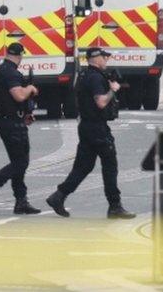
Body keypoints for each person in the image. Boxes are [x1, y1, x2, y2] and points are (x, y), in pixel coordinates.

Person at [46, 47, 136, 219]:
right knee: (110, 166)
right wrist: (113, 90)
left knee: (83, 167)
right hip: (97, 128)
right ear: (95, 58)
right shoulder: (95, 78)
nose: (106, 60)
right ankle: (115, 206)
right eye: (104, 57)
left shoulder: (87, 75)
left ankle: (58, 196)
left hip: (87, 127)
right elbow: (101, 102)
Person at [0, 43, 41, 214]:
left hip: (8, 120)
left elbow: (7, 99)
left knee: (18, 163)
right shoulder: (11, 72)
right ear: (20, 55)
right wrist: (30, 88)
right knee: (21, 162)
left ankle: (21, 201)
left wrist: (25, 113)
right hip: (13, 124)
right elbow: (18, 95)